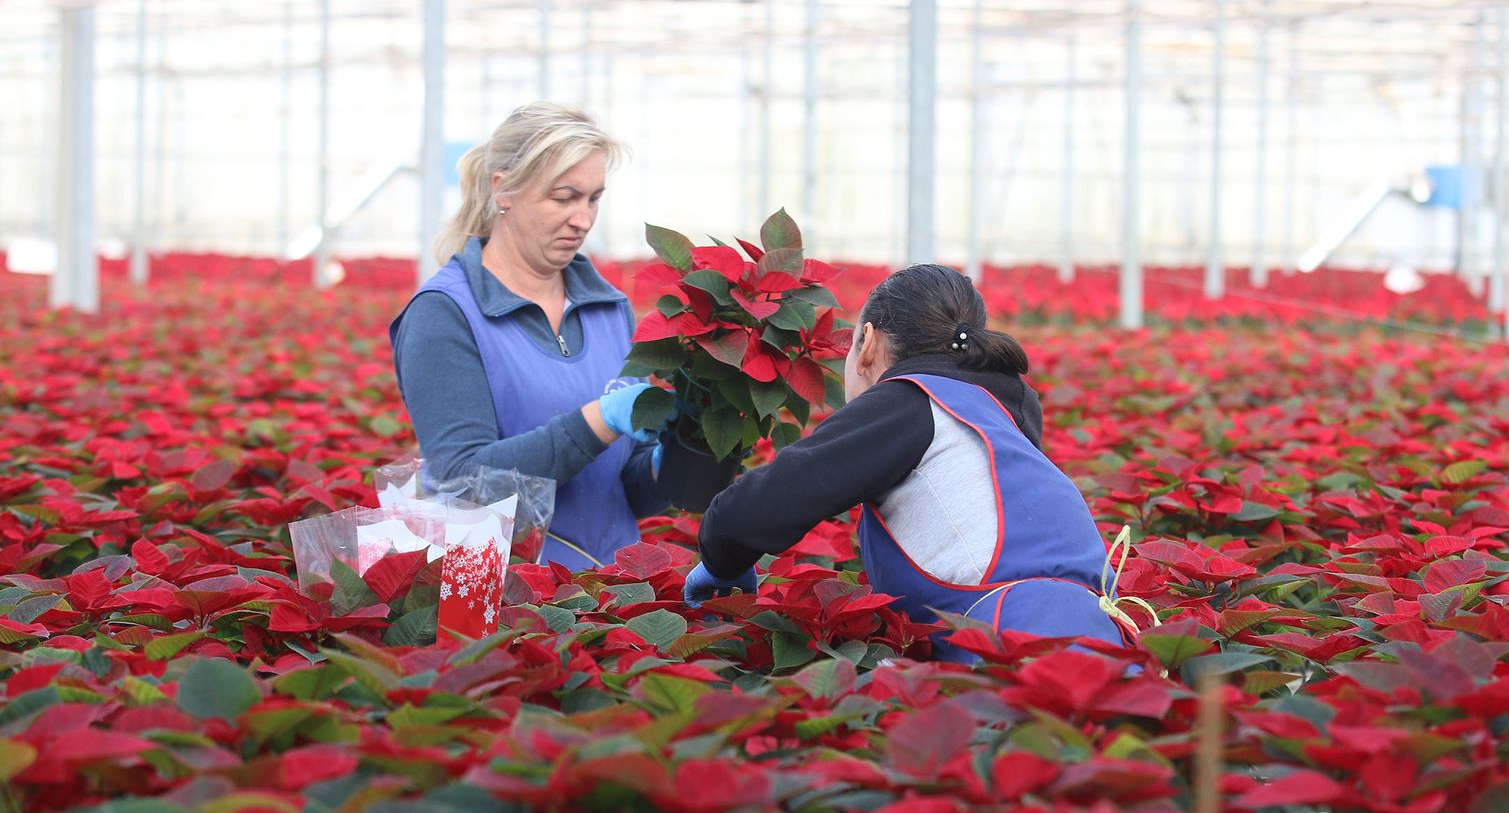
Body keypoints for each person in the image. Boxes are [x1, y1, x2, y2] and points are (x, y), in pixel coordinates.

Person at [682, 264, 1143, 662]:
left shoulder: (908, 403)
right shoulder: (1003, 409)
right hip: (1103, 638)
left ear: (867, 342)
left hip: (1012, 647)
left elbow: (755, 509)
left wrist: (721, 562)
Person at [390, 102, 671, 570]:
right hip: (510, 604)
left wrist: (679, 459)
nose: (582, 219)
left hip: (615, 600)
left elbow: (622, 494)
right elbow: (465, 484)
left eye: (593, 199)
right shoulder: (445, 313)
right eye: (564, 198)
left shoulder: (609, 309)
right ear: (504, 191)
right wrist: (598, 422)